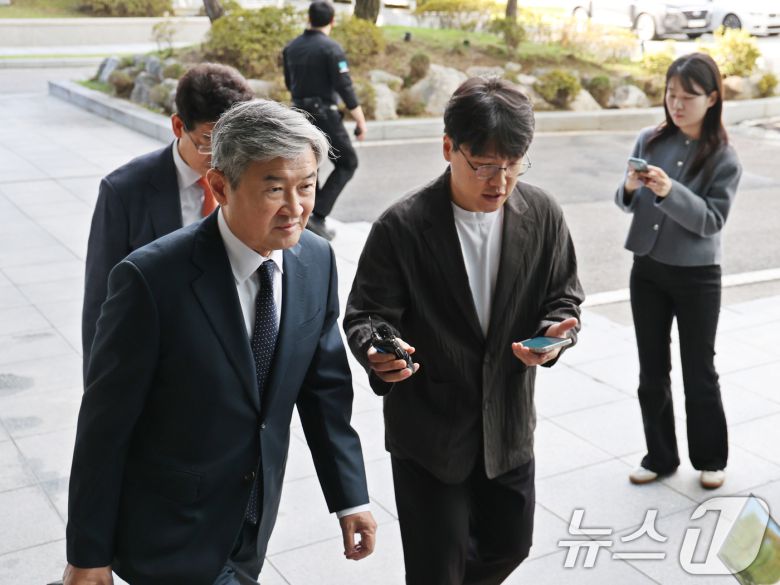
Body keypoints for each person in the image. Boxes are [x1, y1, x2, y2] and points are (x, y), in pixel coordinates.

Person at [63, 99, 376, 585]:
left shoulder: (316, 260)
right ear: (219, 186)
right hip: (169, 533)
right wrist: (87, 555)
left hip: (252, 524)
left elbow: (324, 392)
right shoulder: (150, 280)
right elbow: (104, 427)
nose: (296, 208)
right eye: (274, 188)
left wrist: (350, 498)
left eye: (307, 186)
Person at [343, 77, 584, 585]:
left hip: (507, 424)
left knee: (511, 546)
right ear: (448, 147)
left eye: (513, 164)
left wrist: (553, 333)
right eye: (484, 165)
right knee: (435, 570)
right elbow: (366, 314)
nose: (500, 181)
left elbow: (563, 294)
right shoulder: (402, 226)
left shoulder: (542, 214)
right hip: (430, 432)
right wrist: (379, 352)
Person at [615, 53, 741, 490]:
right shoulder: (648, 140)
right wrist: (629, 186)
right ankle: (659, 456)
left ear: (712, 99)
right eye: (671, 94)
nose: (677, 104)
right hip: (647, 269)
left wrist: (671, 191)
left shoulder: (724, 157)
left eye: (688, 96)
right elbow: (625, 202)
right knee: (651, 371)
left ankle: (711, 458)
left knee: (699, 372)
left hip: (697, 278)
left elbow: (711, 221)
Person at [81, 63, 254, 377]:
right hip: (160, 363)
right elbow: (101, 302)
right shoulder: (124, 191)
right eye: (209, 142)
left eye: (235, 141)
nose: (224, 156)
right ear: (178, 126)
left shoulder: (250, 179)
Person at [282, 0, 367, 241]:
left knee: (310, 165)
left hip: (298, 113)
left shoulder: (291, 48)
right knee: (348, 162)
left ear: (309, 19)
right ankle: (317, 215)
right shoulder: (331, 49)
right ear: (332, 21)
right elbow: (344, 86)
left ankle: (309, 218)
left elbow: (289, 83)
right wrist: (360, 120)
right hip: (324, 114)